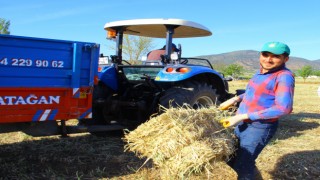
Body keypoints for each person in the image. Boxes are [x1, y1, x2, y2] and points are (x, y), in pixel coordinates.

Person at [219, 42, 295, 179]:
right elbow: (254, 92)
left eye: (275, 56)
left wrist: (242, 116)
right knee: (232, 158)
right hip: (243, 122)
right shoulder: (260, 73)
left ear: (285, 59)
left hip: (259, 127)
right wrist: (235, 99)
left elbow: (283, 108)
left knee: (243, 165)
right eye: (265, 55)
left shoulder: (283, 76)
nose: (268, 59)